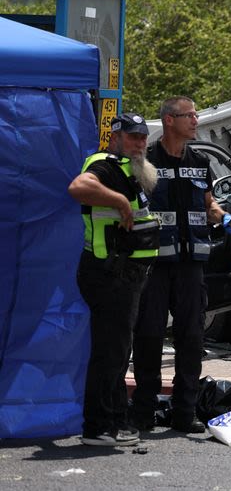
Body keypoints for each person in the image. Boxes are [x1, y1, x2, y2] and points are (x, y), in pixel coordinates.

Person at [130, 96, 231, 434]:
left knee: (191, 338)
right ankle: (144, 411)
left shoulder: (200, 161)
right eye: (188, 115)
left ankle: (184, 412)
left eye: (195, 115)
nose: (195, 120)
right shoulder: (145, 160)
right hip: (154, 264)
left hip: (192, 265)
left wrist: (223, 216)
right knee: (148, 336)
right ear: (168, 121)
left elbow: (208, 203)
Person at [69, 113, 160, 446]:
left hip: (127, 276)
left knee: (119, 352)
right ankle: (97, 427)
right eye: (133, 137)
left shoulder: (130, 170)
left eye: (142, 138)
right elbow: (78, 187)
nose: (139, 143)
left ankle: (116, 421)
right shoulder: (104, 164)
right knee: (110, 352)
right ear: (115, 136)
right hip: (109, 274)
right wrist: (119, 200)